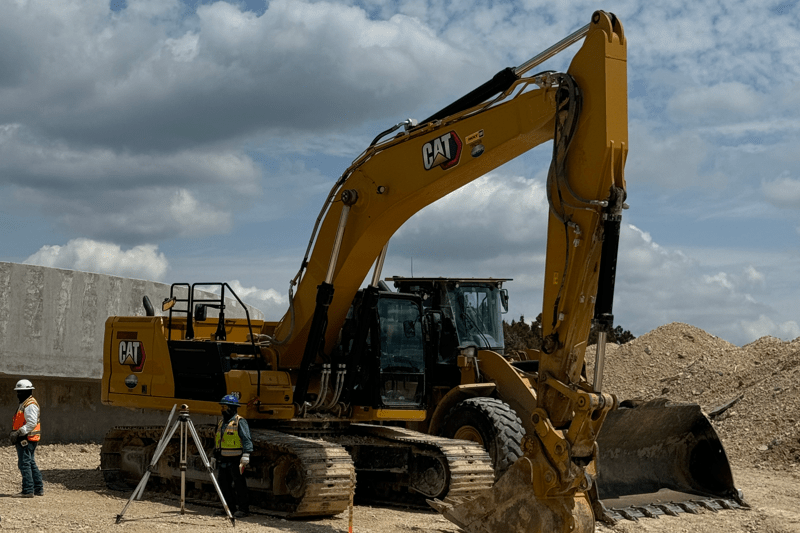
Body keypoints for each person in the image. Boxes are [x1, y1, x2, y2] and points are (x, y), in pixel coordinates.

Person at [214, 394, 252, 518]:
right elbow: (218, 440)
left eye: (224, 407)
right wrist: (214, 455)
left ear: (231, 408)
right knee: (223, 484)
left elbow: (246, 438)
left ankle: (243, 509)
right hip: (223, 458)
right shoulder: (221, 423)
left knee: (239, 484)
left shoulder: (240, 422)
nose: (222, 409)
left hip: (236, 459)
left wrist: (246, 454)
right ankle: (229, 508)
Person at [9, 379, 44, 498]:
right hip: (27, 438)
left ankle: (28, 490)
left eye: (20, 391)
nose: (18, 394)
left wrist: (18, 432)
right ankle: (38, 488)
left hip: (26, 438)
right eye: (18, 391)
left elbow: (31, 423)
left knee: (24, 464)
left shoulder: (30, 405)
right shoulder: (25, 403)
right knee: (30, 463)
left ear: (28, 391)